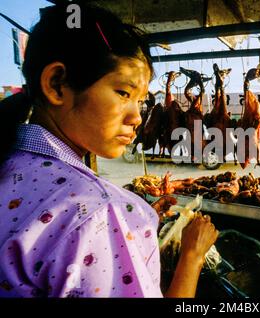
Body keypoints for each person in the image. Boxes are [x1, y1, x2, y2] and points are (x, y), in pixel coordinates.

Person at [0, 2, 218, 298]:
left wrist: (124, 226)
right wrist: (192, 256)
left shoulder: (10, 163)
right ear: (57, 84)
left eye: (140, 100)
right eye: (123, 93)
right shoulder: (96, 211)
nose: (137, 117)